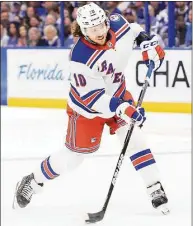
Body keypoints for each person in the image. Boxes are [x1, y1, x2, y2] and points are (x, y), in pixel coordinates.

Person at [13, 3, 169, 215]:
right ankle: (33, 180)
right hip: (87, 109)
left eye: (101, 25)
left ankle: (154, 186)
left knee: (133, 137)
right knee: (73, 159)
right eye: (92, 29)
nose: (99, 32)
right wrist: (123, 108)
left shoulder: (116, 24)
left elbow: (133, 29)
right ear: (83, 30)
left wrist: (147, 43)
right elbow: (93, 99)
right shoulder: (80, 57)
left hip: (118, 95)